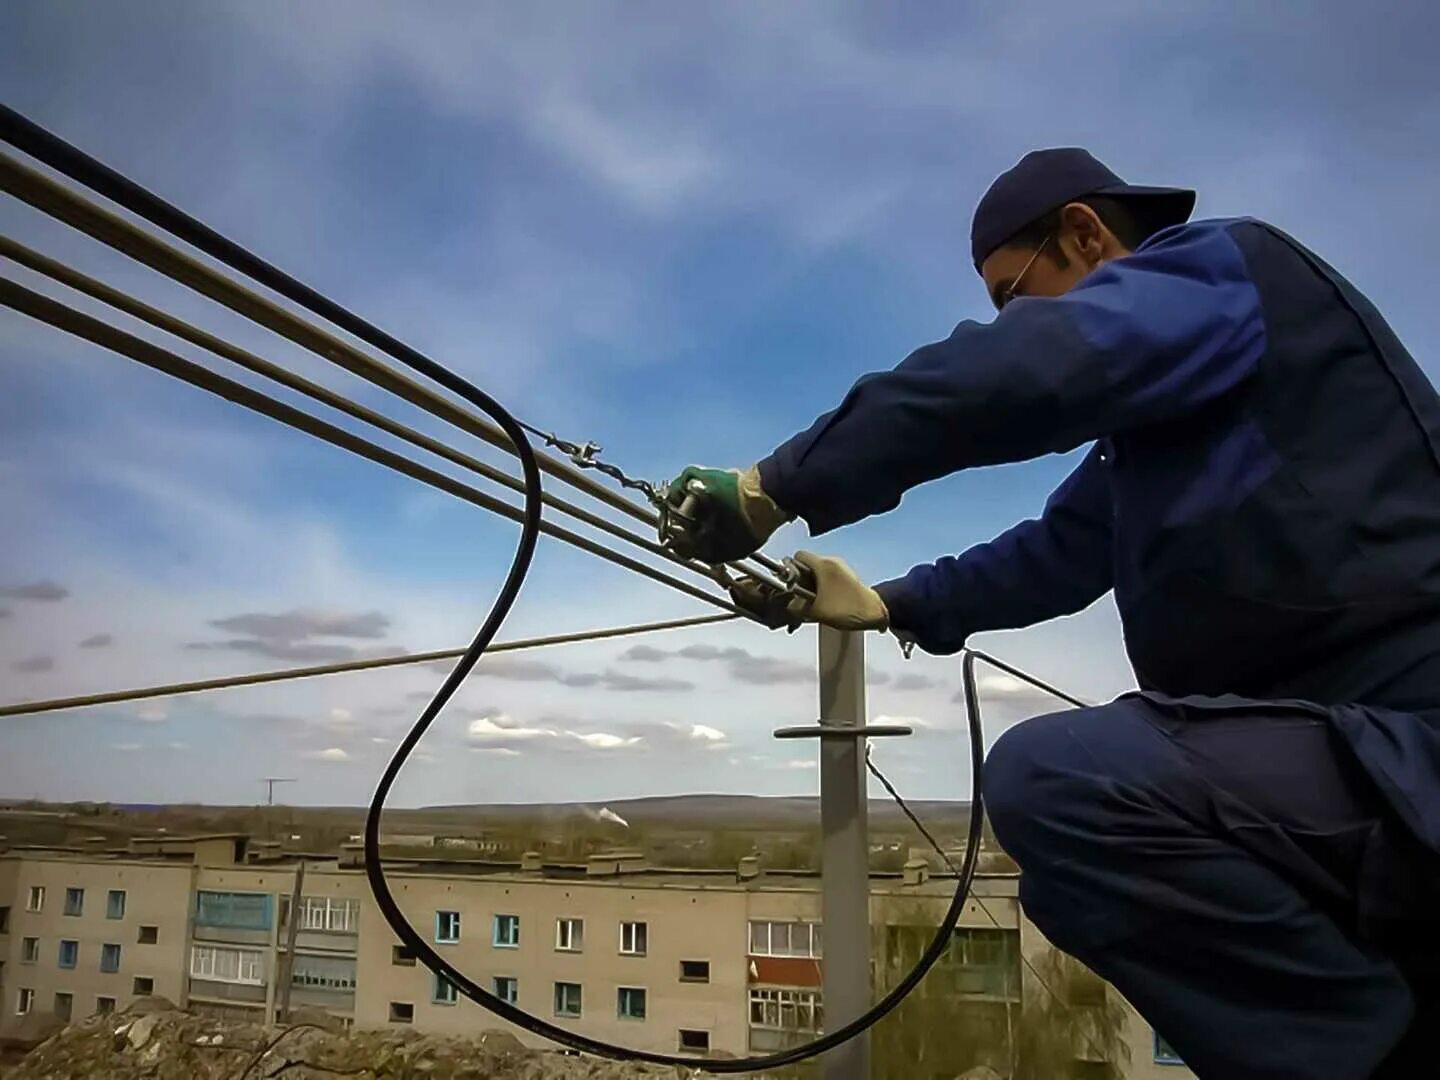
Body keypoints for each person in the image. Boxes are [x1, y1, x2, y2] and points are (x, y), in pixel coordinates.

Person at [666, 148, 1440, 1079]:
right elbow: (1056, 552)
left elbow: (1029, 368)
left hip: (1408, 732)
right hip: (1334, 764)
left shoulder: (1229, 270)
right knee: (1066, 879)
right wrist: (889, 601)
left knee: (1063, 781)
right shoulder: (1158, 440)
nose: (1010, 321)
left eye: (1012, 295)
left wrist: (772, 485)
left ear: (1084, 233)